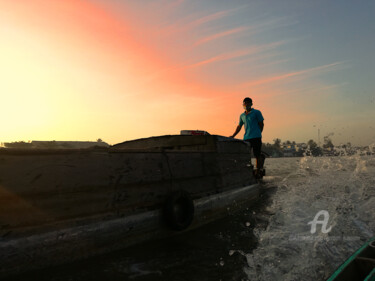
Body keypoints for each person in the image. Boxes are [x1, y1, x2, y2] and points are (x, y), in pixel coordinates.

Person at [230, 97, 265, 177]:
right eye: (245, 103)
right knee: (246, 154)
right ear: (243, 104)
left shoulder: (257, 112)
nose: (246, 105)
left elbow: (261, 124)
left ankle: (258, 171)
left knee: (257, 154)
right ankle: (249, 169)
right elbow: (239, 126)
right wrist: (233, 135)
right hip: (246, 138)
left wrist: (258, 133)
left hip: (256, 137)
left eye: (248, 103)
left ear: (251, 104)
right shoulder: (242, 115)